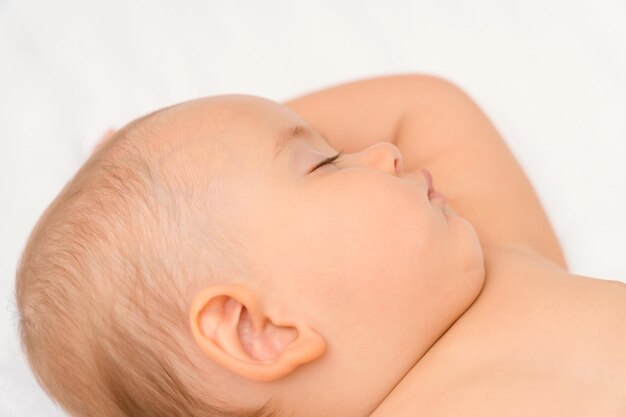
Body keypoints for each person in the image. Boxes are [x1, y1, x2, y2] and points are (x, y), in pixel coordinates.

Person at [15, 73, 626, 417]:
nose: (382, 155)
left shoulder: (493, 260)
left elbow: (422, 105)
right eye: (325, 162)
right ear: (258, 329)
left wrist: (169, 155)